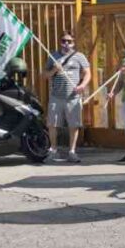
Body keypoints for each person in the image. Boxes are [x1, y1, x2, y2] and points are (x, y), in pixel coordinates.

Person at [41, 31, 90, 163]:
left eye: (69, 41)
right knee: (52, 124)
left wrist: (82, 85)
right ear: (60, 42)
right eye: (63, 41)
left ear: (74, 43)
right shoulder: (53, 56)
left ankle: (72, 152)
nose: (66, 44)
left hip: (73, 97)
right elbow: (45, 75)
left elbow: (87, 73)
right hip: (56, 96)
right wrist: (54, 70)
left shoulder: (80, 56)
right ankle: (53, 150)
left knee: (73, 125)